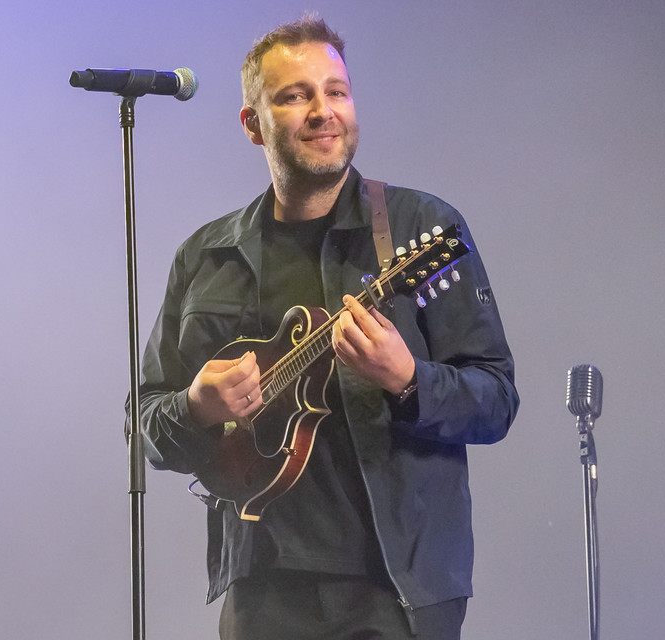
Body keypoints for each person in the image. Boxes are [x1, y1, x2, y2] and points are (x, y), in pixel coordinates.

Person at [132, 15, 520, 640]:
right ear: (252, 124)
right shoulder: (206, 256)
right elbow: (144, 426)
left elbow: (496, 400)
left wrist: (408, 379)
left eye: (335, 91)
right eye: (295, 95)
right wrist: (196, 407)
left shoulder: (423, 226)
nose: (323, 111)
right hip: (260, 587)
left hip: (396, 591)